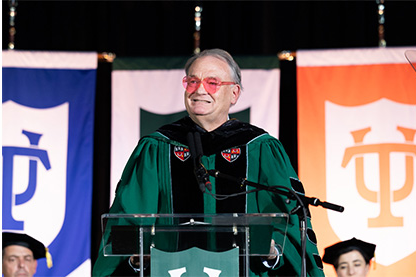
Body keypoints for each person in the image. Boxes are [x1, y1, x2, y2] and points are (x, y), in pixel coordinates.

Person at [92, 48, 325, 276]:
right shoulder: (157, 147)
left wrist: (273, 252)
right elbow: (126, 221)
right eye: (192, 81)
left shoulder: (260, 148)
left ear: (234, 93)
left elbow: (289, 226)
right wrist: (135, 257)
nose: (199, 90)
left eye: (212, 83)